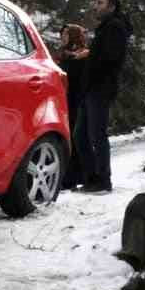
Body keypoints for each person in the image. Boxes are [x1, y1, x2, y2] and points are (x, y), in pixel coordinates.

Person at [78, 0, 133, 192]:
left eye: (100, 3)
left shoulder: (115, 27)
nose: (96, 6)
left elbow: (111, 58)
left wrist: (91, 58)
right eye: (96, 2)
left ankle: (103, 180)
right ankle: (92, 177)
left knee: (96, 135)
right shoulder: (107, 27)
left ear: (111, 7)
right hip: (92, 87)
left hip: (100, 88)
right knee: (81, 135)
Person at [56, 23, 90, 189]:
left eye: (66, 35)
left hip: (76, 101)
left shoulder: (82, 57)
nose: (62, 38)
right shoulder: (63, 55)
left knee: (75, 139)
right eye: (62, 35)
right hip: (62, 100)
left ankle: (75, 176)